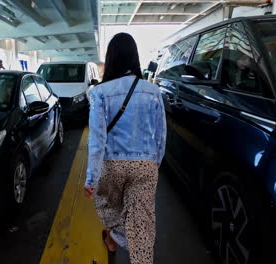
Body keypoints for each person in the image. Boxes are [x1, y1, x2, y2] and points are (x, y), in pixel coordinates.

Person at [84, 33, 166, 264]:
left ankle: (116, 237)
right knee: (142, 221)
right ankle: (139, 248)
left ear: (110, 59)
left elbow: (97, 140)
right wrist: (154, 162)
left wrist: (91, 179)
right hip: (146, 164)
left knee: (108, 207)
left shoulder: (99, 92)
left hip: (112, 165)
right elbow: (160, 135)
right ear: (135, 58)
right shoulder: (153, 91)